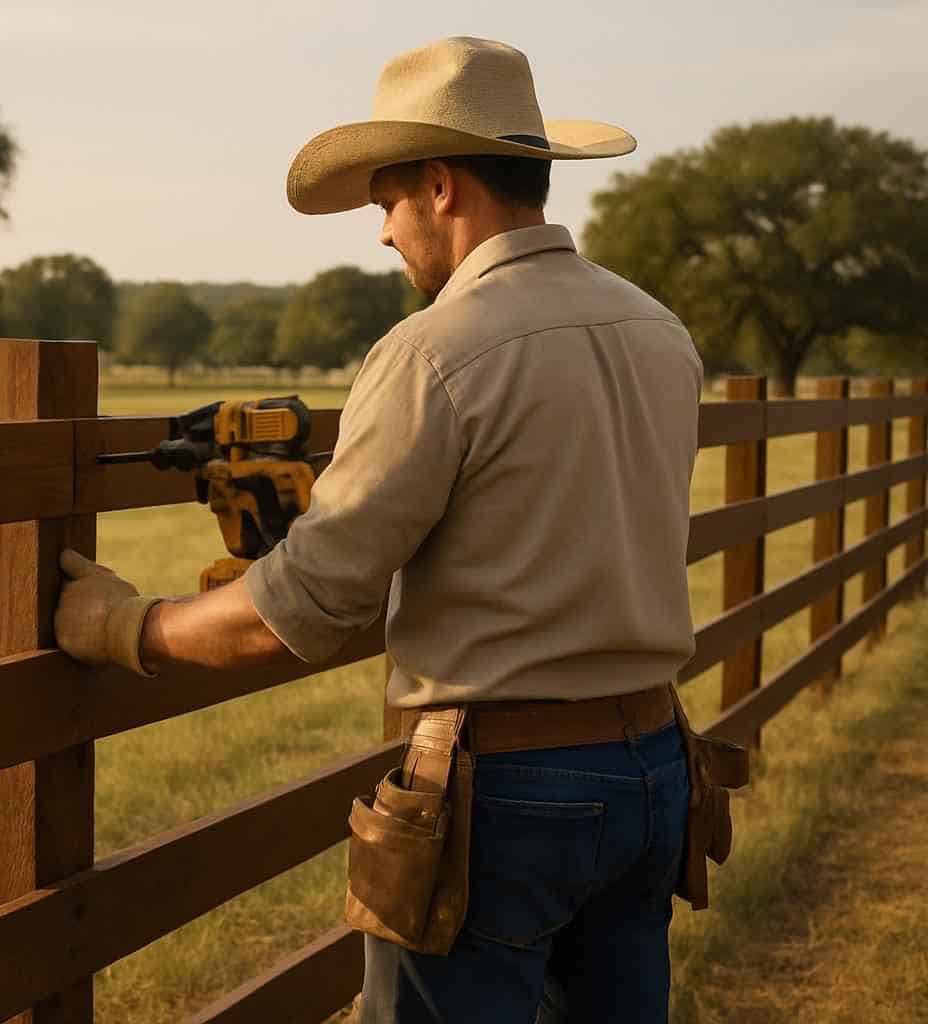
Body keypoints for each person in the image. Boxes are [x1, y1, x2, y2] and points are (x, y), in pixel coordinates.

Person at [52, 36, 703, 1023]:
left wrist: (121, 625)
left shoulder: (436, 350)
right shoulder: (658, 329)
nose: (384, 235)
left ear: (440, 187)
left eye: (386, 205)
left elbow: (291, 614)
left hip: (511, 798)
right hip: (658, 762)